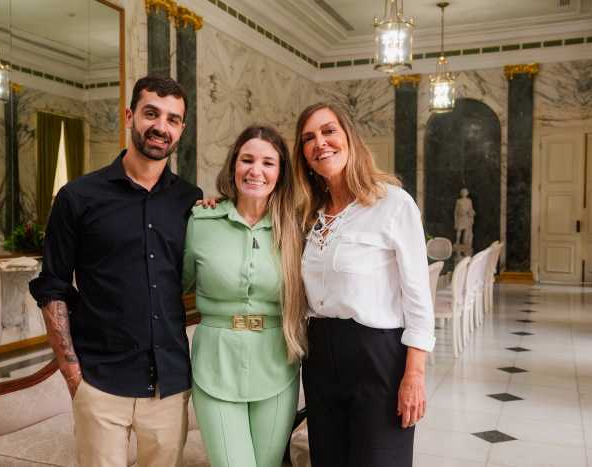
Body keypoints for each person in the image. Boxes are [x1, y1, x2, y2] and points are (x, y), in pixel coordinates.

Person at [29, 76, 202, 467]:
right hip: (100, 381)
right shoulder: (78, 197)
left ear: (181, 129)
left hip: (170, 384)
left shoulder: (190, 200)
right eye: (151, 113)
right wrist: (73, 375)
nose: (161, 126)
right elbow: (53, 287)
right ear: (129, 116)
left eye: (173, 119)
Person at [288, 102, 435, 467]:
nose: (320, 143)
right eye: (308, 138)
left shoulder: (393, 204)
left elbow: (418, 299)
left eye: (328, 131)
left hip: (377, 356)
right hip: (320, 358)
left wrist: (414, 375)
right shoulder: (308, 215)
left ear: (349, 138)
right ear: (304, 155)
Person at [182, 126, 304, 467]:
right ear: (233, 164)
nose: (256, 170)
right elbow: (176, 287)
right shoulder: (201, 221)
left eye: (268, 163)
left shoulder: (295, 228)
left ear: (280, 173)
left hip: (277, 363)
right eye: (247, 160)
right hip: (215, 363)